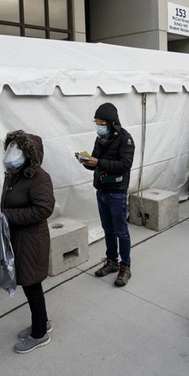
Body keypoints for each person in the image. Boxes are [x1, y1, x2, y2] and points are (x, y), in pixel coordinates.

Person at [0, 130, 55, 354]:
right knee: (32, 285)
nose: (12, 154)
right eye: (10, 148)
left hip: (32, 240)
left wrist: (8, 215)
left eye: (17, 150)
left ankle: (39, 333)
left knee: (32, 285)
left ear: (29, 154)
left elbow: (44, 209)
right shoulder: (15, 173)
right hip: (19, 237)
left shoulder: (40, 177)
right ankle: (42, 322)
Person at [80, 102, 135, 287]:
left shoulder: (126, 139)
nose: (98, 127)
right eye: (96, 123)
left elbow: (124, 165)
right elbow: (97, 160)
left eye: (101, 123)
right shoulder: (100, 139)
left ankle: (125, 266)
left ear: (111, 123)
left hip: (117, 192)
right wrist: (88, 162)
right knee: (107, 229)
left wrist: (99, 162)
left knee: (121, 231)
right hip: (101, 190)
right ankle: (111, 261)